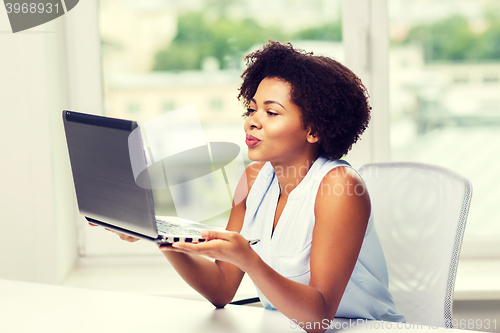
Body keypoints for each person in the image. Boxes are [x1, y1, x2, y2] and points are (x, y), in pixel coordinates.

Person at [113, 41, 405, 332]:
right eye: (252, 110)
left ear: (314, 129)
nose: (252, 122)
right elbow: (222, 288)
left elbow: (318, 318)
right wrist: (159, 235)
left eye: (272, 112)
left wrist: (249, 261)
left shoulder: (339, 187)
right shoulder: (254, 179)